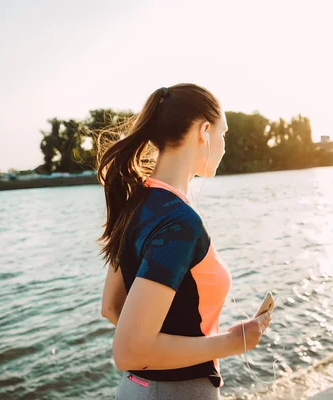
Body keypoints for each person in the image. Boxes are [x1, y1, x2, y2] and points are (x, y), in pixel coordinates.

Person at [97, 83, 272, 400]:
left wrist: (150, 345)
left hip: (136, 390)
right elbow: (129, 350)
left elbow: (111, 307)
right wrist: (235, 341)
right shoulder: (179, 223)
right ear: (204, 131)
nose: (223, 146)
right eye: (224, 134)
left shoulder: (137, 205)